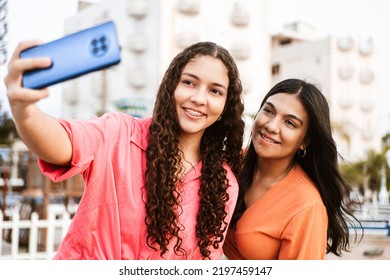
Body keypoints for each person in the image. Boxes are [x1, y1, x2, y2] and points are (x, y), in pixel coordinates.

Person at [4, 41, 245, 259]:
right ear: (171, 87)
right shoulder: (118, 133)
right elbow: (62, 142)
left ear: (226, 105)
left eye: (215, 91)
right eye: (189, 82)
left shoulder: (225, 185)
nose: (199, 98)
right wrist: (24, 111)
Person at [223, 78, 360, 260]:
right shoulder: (232, 164)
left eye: (290, 123)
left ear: (305, 141)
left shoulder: (306, 206)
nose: (271, 126)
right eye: (269, 111)